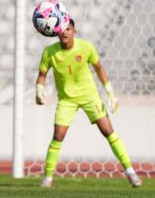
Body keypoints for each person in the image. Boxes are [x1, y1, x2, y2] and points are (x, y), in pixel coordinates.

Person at [35, 19, 141, 188]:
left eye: (68, 29)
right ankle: (47, 178)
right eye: (62, 29)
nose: (64, 32)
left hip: (90, 96)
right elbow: (42, 74)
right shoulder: (50, 52)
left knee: (108, 131)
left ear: (74, 31)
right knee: (58, 136)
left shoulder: (86, 47)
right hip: (66, 100)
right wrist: (39, 90)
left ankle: (130, 171)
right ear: (56, 31)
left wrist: (111, 94)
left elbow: (99, 68)